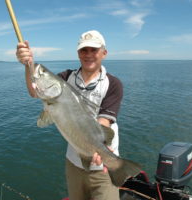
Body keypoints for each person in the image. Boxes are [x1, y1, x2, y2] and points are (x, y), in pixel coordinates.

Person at [16, 30, 123, 200]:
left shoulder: (113, 84)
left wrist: (103, 150)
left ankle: (119, 167)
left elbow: (104, 121)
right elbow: (34, 91)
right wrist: (29, 65)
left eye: (94, 50)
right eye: (83, 50)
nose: (88, 55)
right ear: (78, 53)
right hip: (73, 163)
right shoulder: (65, 77)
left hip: (104, 167)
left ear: (104, 53)